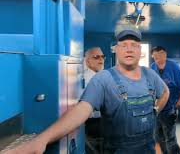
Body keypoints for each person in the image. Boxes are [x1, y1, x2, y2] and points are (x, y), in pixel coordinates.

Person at [4, 25, 169, 154]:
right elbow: (81, 110)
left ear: (140, 51)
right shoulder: (103, 80)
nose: (129, 48)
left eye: (134, 45)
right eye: (123, 44)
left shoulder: (150, 75)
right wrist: (42, 139)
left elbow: (165, 92)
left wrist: (155, 110)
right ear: (116, 50)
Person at [151, 46, 180, 154]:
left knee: (170, 139)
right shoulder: (152, 67)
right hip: (157, 109)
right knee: (159, 137)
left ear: (166, 54)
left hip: (170, 109)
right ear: (152, 56)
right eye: (157, 53)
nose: (160, 55)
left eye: (162, 53)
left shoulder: (174, 67)